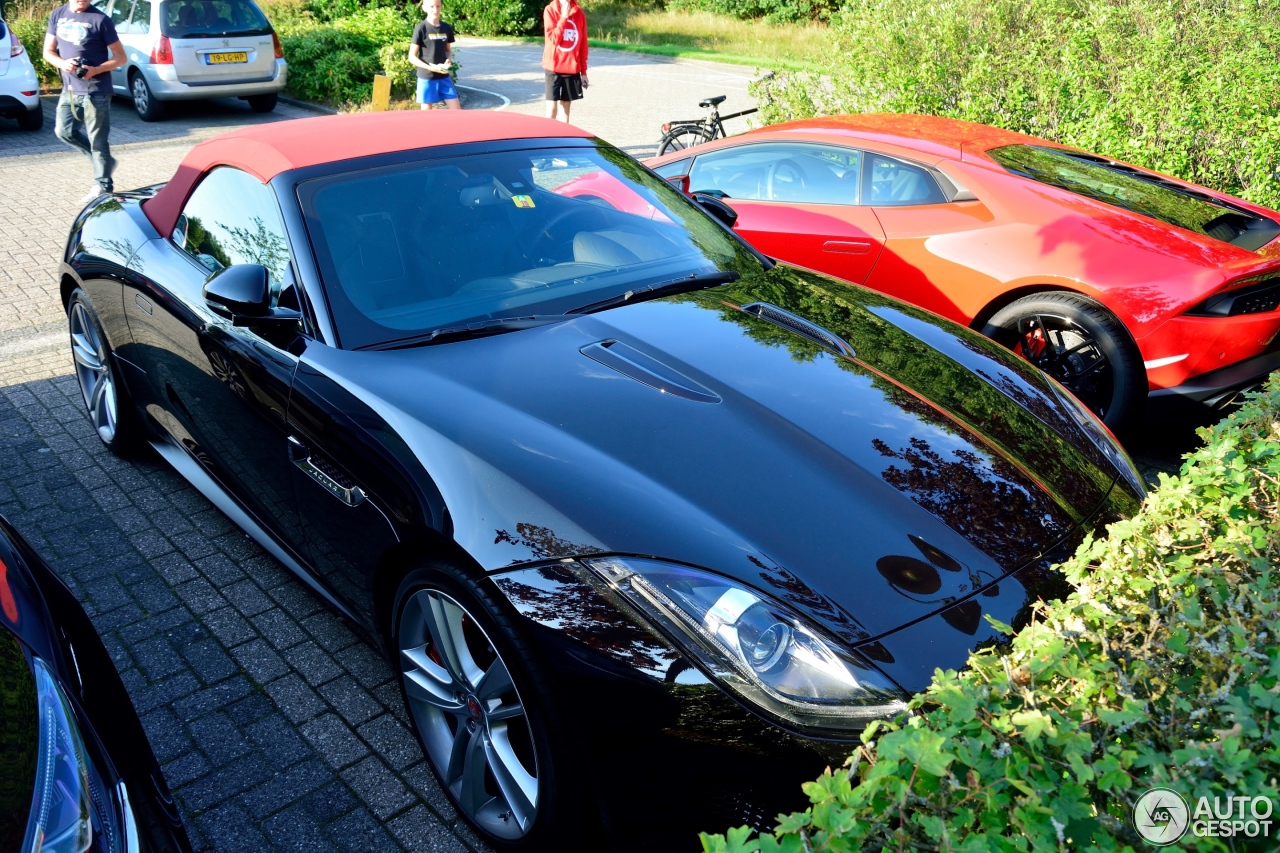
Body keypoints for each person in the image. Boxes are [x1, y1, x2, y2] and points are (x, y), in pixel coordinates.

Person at [43, 0, 125, 203]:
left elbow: (120, 57)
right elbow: (48, 52)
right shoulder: (57, 15)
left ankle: (104, 188)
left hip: (96, 90)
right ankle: (105, 164)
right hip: (69, 90)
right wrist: (63, 63)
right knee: (64, 132)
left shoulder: (100, 20)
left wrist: (96, 70)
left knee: (98, 142)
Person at [409, 0, 460, 110]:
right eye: (431, 6)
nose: (435, 10)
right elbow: (411, 57)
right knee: (427, 118)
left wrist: (449, 60)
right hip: (426, 77)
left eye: (438, 6)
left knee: (457, 112)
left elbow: (448, 50)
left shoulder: (446, 28)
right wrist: (430, 68)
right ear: (424, 8)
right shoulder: (421, 28)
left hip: (444, 76)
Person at [542, 0, 587, 123]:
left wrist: (584, 72)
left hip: (571, 68)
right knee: (551, 109)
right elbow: (553, 39)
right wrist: (563, 17)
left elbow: (583, 45)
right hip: (553, 68)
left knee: (565, 110)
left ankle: (562, 140)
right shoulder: (550, 10)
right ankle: (548, 140)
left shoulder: (579, 14)